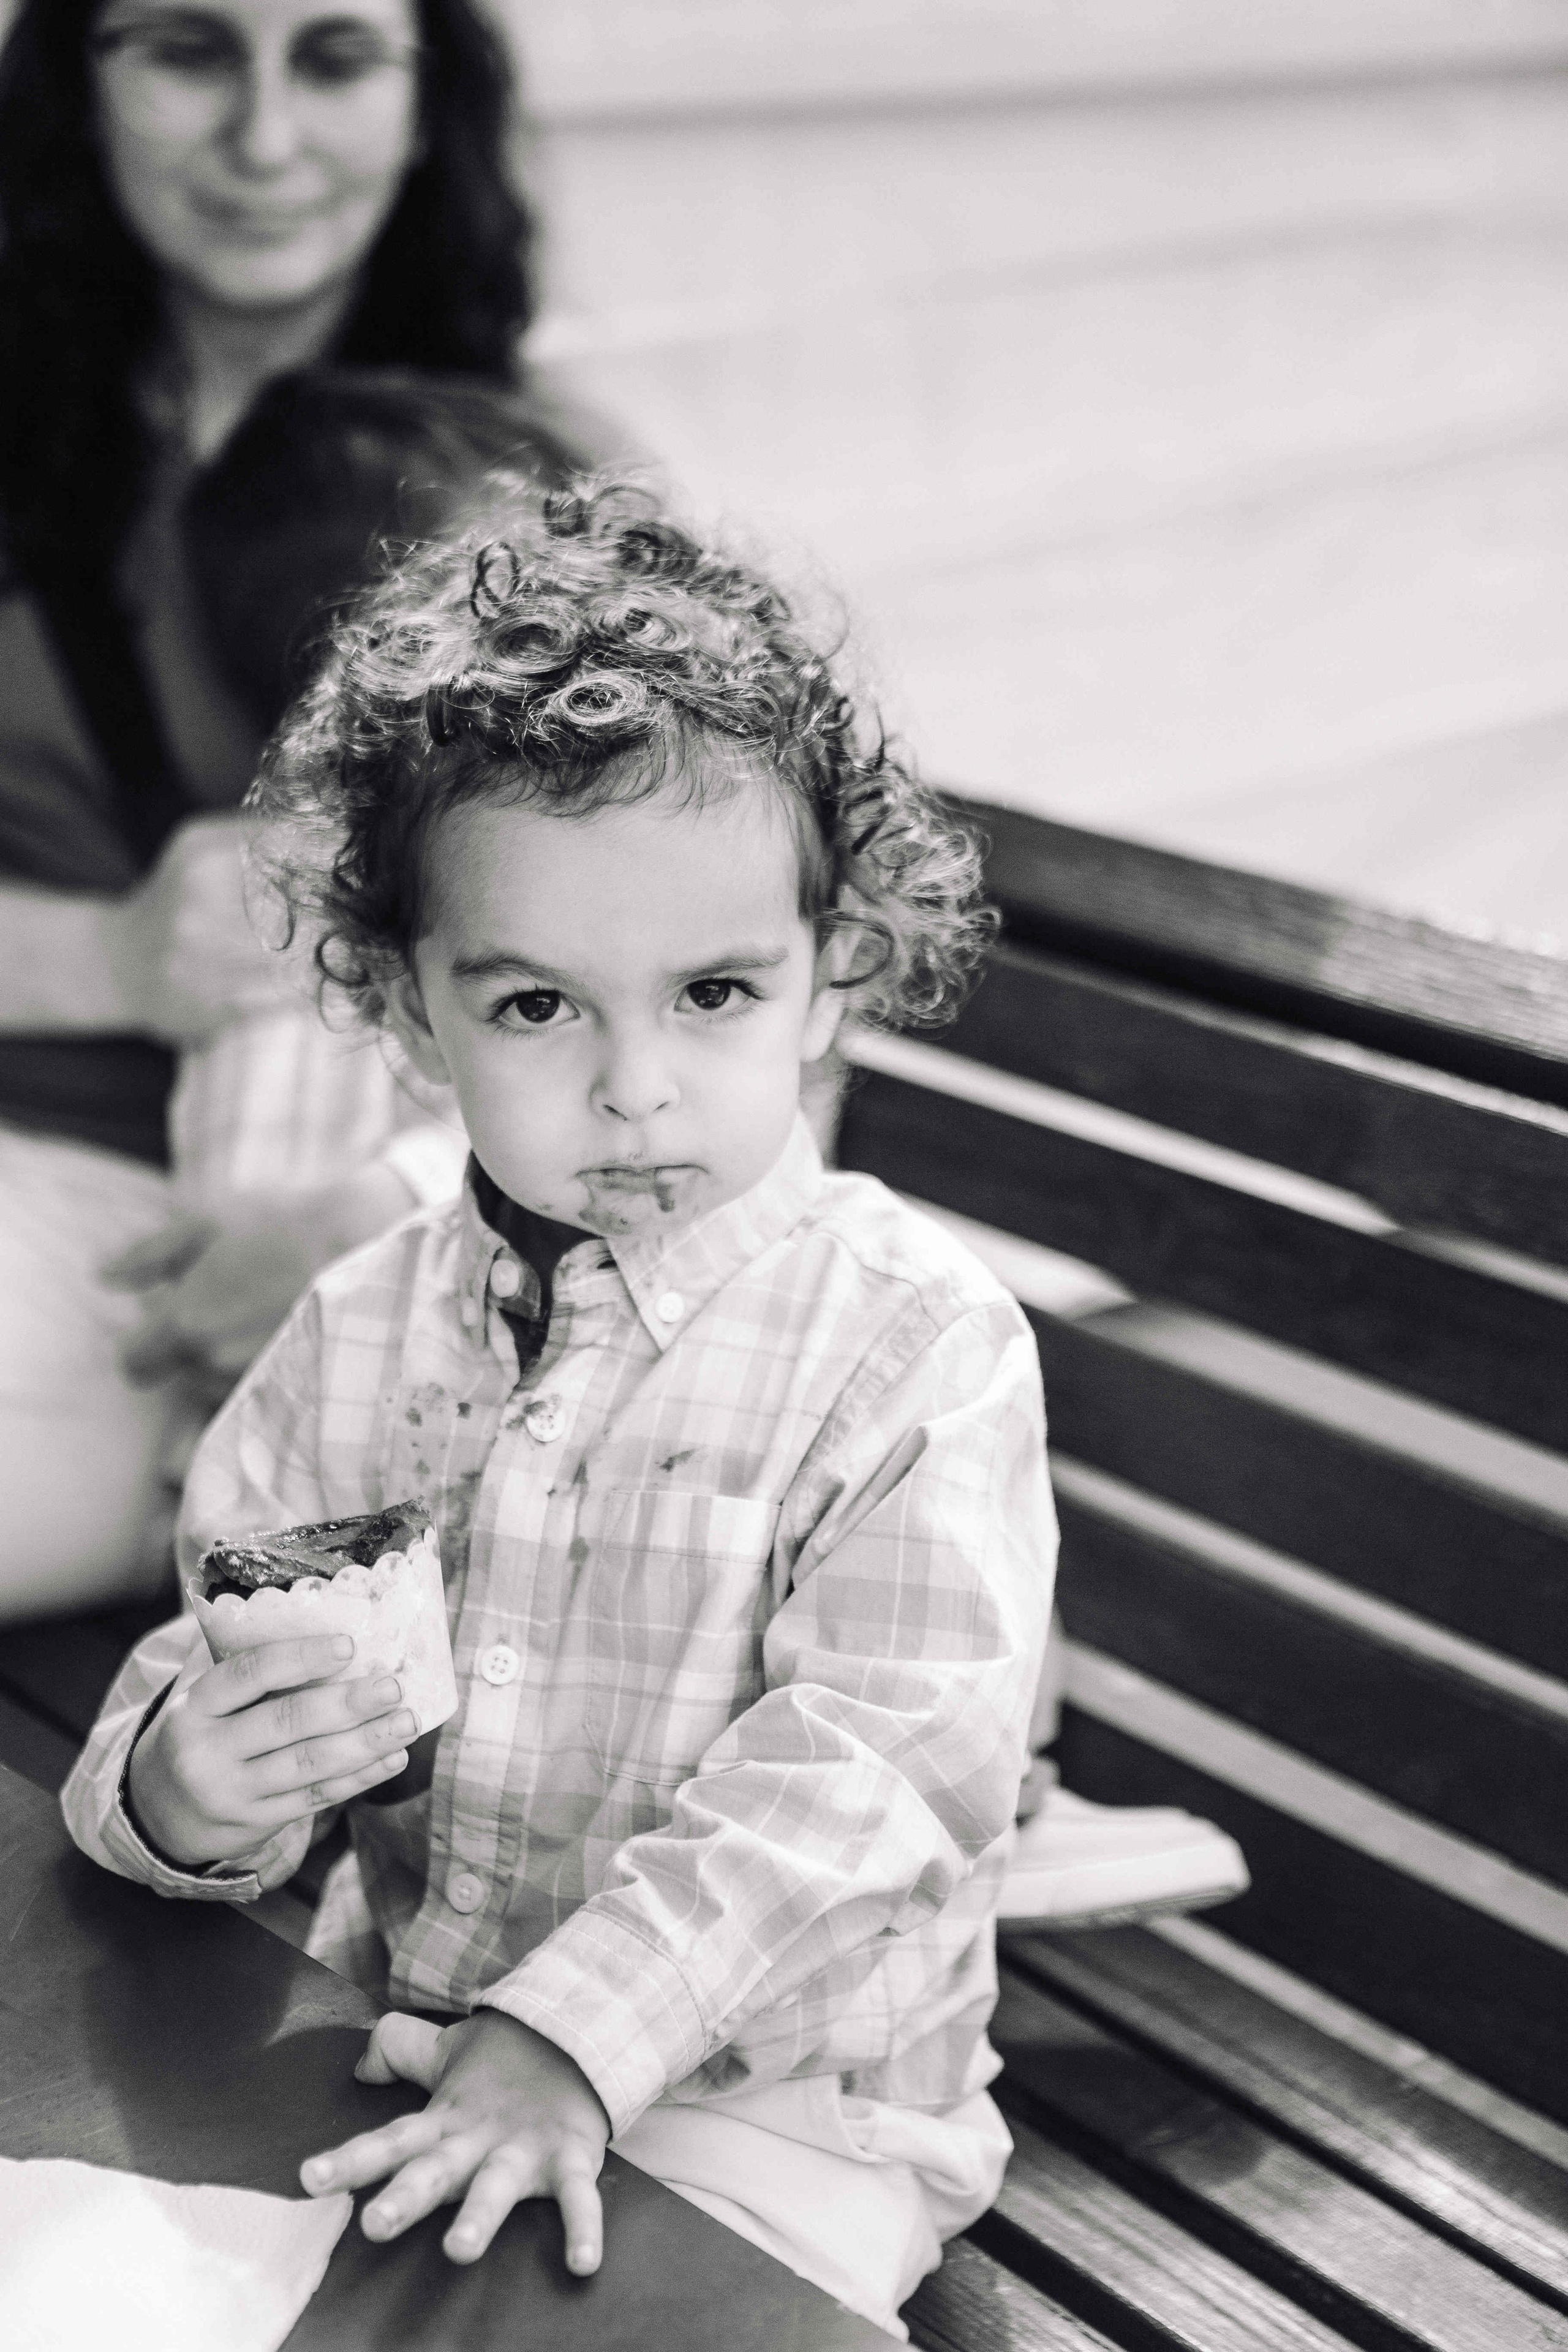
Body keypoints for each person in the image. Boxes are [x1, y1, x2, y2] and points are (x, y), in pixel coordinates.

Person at [64, 480, 1054, 2337]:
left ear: (832, 982)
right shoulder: (360, 1336)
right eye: (535, 1009)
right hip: (406, 2040)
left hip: (788, 2113)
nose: (634, 1091)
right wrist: (188, 1789)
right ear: (412, 1012)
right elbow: (209, 1646)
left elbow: (884, 1767)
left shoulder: (910, 1340)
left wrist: (573, 2040)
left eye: (712, 993)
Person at [0, 0, 578, 1618]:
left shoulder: (534, 493)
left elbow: (744, 987)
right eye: (189, 49)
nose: (265, 140)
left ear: (425, 98)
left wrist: (379, 1223)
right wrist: (105, 961)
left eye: (333, 56)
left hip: (301, 1272)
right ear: (77, 82)